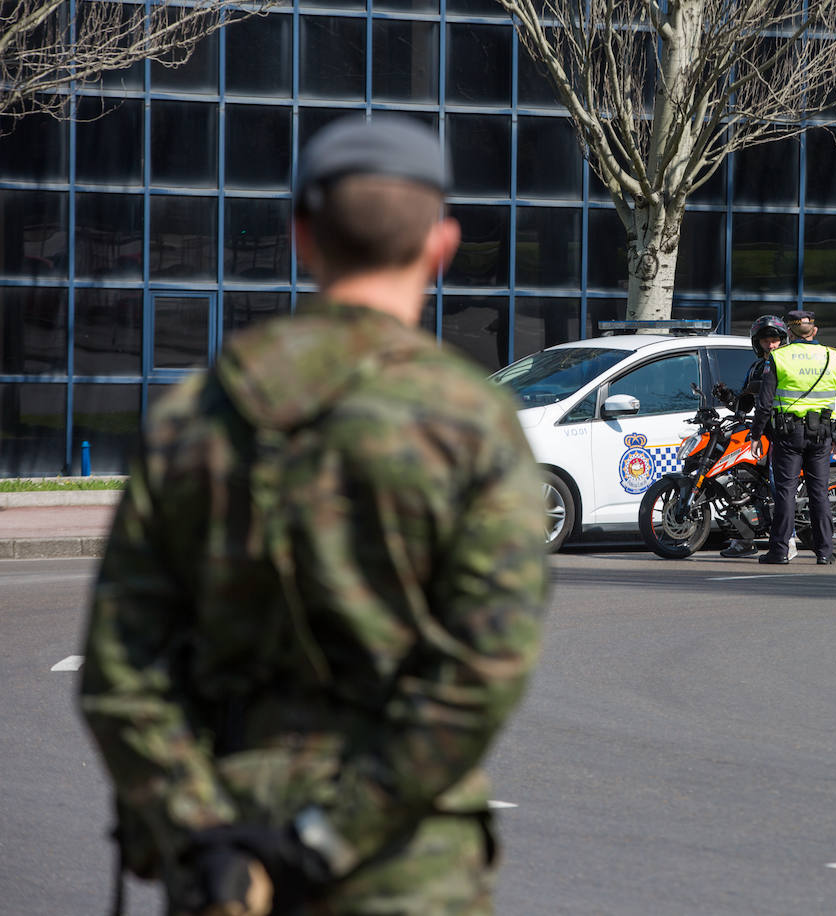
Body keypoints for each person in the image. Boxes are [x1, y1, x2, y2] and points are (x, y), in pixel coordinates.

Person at [78, 113, 549, 916]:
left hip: (227, 862)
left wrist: (206, 834)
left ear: (302, 238)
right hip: (403, 865)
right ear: (441, 243)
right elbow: (482, 669)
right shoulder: (470, 423)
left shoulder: (196, 417)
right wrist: (330, 834)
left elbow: (121, 672)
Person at [749, 309, 836, 565]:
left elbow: (764, 403)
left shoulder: (779, 357)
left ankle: (780, 551)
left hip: (788, 435)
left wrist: (755, 435)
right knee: (819, 493)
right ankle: (825, 552)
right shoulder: (833, 357)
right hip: (822, 436)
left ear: (789, 333)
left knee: (785, 492)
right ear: (814, 331)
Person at [715, 314, 791, 559]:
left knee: (779, 486)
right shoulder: (757, 368)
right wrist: (727, 396)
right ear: (757, 343)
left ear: (783, 340)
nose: (770, 345)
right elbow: (743, 405)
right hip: (760, 433)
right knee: (740, 482)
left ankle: (787, 540)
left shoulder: (789, 364)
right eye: (765, 340)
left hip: (784, 434)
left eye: (774, 339)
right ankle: (744, 539)